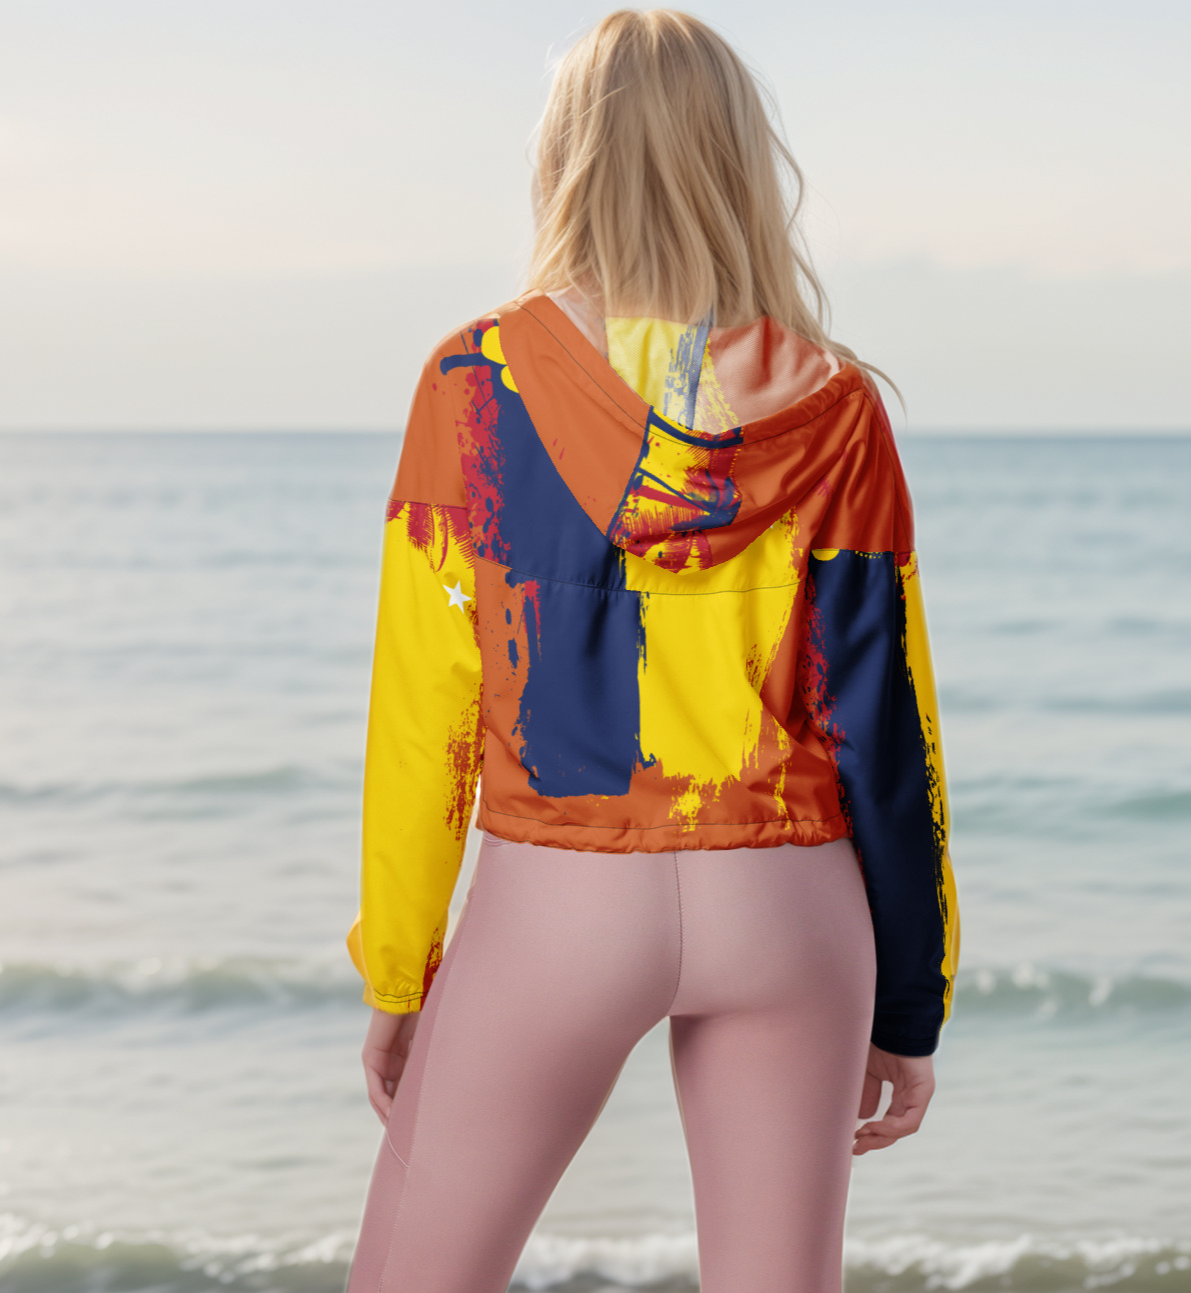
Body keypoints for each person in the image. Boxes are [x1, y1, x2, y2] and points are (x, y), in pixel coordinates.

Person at [344, 10, 959, 1292]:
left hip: (560, 898)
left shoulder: (476, 382)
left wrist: (400, 967)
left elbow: (426, 712)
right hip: (793, 904)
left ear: (568, 156)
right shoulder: (836, 404)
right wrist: (910, 994)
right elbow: (886, 726)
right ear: (737, 161)